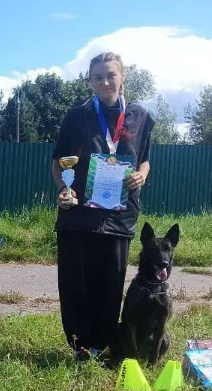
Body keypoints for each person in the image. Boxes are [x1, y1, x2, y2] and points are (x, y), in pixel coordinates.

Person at [52, 52, 155, 360]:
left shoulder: (141, 116)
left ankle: (101, 344)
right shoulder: (77, 115)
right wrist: (63, 190)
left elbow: (146, 158)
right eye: (98, 76)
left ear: (122, 77)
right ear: (90, 81)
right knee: (76, 283)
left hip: (119, 215)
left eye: (111, 75)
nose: (105, 81)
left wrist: (142, 175)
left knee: (110, 283)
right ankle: (80, 346)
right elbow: (59, 162)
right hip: (79, 214)